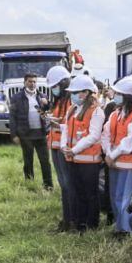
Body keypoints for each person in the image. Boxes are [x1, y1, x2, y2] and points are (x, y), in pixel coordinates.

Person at [62, 75, 105, 232]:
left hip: (89, 161)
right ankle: (80, 223)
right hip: (73, 159)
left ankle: (91, 224)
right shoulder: (73, 109)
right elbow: (66, 129)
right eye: (72, 92)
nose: (72, 95)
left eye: (75, 92)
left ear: (86, 93)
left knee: (90, 194)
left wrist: (73, 150)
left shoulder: (96, 112)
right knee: (78, 192)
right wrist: (64, 146)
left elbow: (93, 135)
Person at [103, 76, 132, 236]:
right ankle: (119, 227)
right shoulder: (115, 114)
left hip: (129, 163)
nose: (115, 96)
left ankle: (125, 229)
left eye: (119, 93)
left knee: (125, 197)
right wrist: (108, 153)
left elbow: (129, 142)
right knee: (115, 196)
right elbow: (105, 134)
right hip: (114, 162)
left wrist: (111, 155)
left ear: (127, 96)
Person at [8, 73, 53, 189]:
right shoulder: (17, 98)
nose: (32, 84)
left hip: (41, 134)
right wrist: (14, 135)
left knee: (45, 161)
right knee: (28, 161)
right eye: (30, 81)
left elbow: (47, 112)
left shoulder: (41, 96)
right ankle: (30, 185)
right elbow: (12, 117)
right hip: (26, 134)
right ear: (25, 82)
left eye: (34, 82)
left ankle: (48, 185)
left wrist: (47, 104)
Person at [44, 65, 74, 231]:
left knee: (68, 184)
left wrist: (56, 121)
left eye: (55, 86)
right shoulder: (59, 100)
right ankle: (66, 219)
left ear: (63, 84)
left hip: (64, 148)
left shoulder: (70, 100)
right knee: (63, 184)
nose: (54, 90)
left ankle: (71, 219)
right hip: (55, 146)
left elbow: (70, 123)